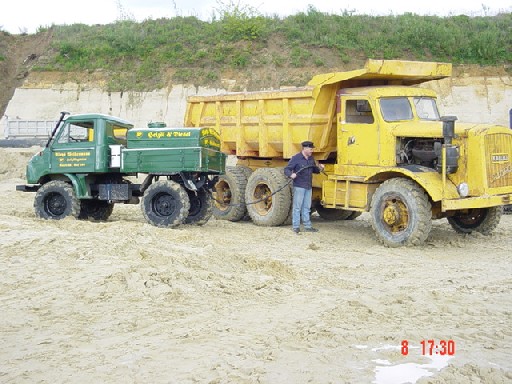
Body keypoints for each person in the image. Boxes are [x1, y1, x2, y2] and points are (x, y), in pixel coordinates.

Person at [284, 141, 324, 234]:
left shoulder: (311, 159)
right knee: (297, 207)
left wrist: (321, 168)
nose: (312, 151)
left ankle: (307, 226)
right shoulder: (296, 158)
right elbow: (287, 169)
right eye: (310, 149)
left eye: (312, 149)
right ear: (305, 149)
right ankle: (296, 227)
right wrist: (291, 174)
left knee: (306, 207)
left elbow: (315, 170)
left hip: (308, 186)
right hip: (299, 186)